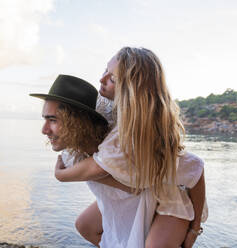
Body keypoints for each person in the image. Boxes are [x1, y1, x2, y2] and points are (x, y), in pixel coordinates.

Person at [53, 47, 208, 248]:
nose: (101, 79)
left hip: (170, 200)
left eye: (113, 79)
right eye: (105, 71)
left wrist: (194, 229)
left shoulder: (142, 135)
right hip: (141, 194)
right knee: (85, 225)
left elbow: (196, 168)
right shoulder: (110, 112)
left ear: (132, 90)